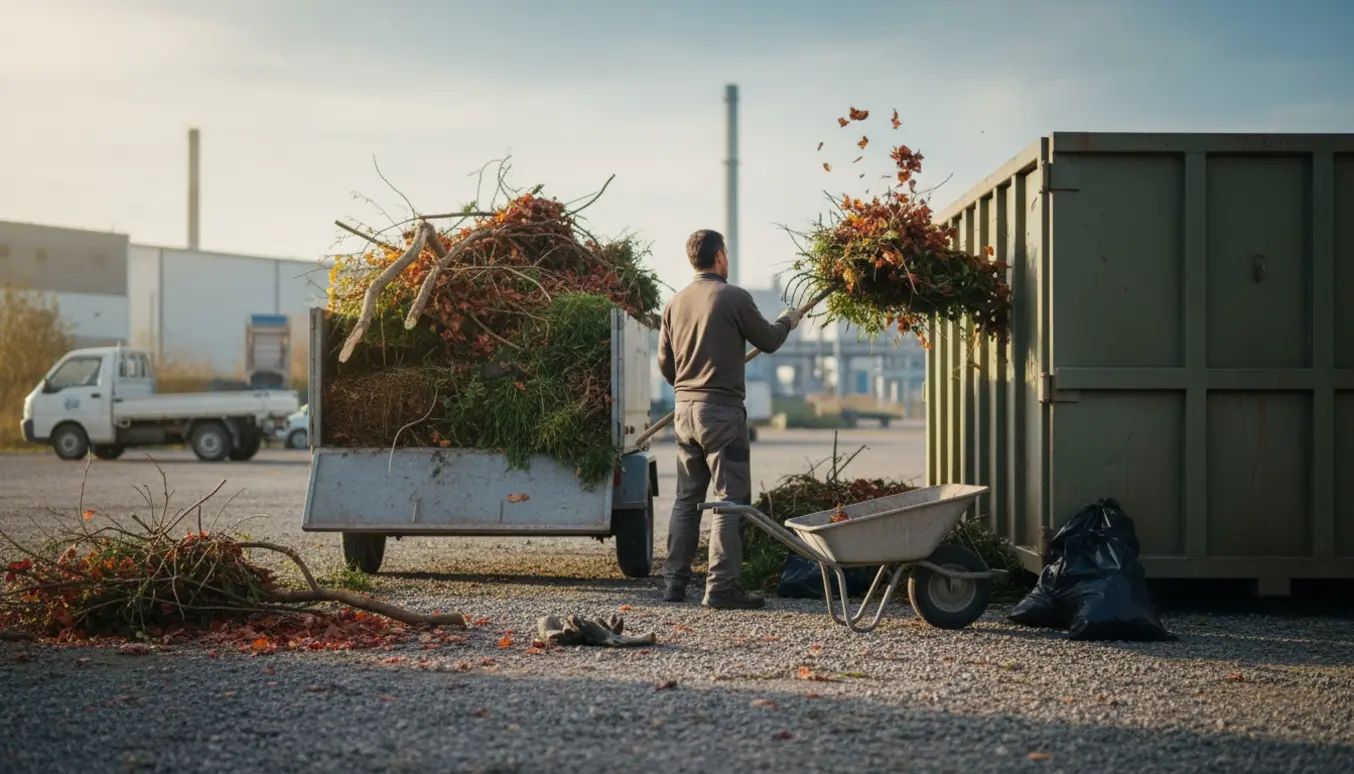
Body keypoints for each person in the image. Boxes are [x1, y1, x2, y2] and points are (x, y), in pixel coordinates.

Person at [657, 229, 802, 609]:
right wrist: (787, 321)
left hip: (684, 412)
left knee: (687, 500)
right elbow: (768, 340)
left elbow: (665, 365)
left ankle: (674, 584)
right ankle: (721, 588)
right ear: (720, 256)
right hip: (721, 413)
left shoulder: (674, 303)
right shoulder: (733, 297)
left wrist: (689, 387)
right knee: (729, 500)